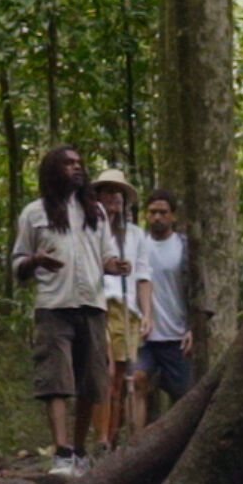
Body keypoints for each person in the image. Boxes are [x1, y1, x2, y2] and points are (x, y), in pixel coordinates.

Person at [10, 145, 127, 476]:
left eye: (80, 163)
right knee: (56, 380)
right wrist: (36, 261)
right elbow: (17, 262)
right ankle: (61, 452)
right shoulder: (34, 213)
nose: (77, 168)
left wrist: (115, 265)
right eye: (68, 164)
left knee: (92, 382)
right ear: (52, 171)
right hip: (54, 306)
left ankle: (78, 451)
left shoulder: (97, 213)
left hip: (92, 305)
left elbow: (105, 256)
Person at [90, 166, 152, 453]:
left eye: (119, 193)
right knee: (106, 372)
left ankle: (112, 442)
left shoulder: (136, 235)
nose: (115, 197)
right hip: (100, 304)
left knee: (122, 379)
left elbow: (143, 275)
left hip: (128, 311)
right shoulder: (90, 228)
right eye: (109, 191)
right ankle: (100, 440)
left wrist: (147, 313)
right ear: (98, 196)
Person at [132, 188, 192, 430]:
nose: (157, 217)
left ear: (173, 216)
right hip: (143, 334)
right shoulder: (137, 245)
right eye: (153, 212)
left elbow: (197, 290)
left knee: (183, 395)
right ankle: (133, 448)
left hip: (176, 334)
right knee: (136, 382)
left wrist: (193, 328)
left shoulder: (185, 246)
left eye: (163, 212)